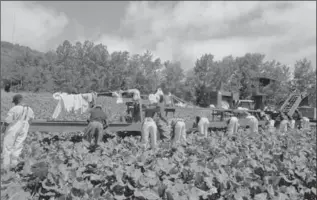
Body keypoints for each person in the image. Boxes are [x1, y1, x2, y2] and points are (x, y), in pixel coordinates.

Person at [2, 94, 34, 170]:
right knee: (18, 147)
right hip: (25, 128)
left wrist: (3, 129)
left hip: (14, 127)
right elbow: (31, 120)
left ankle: (6, 167)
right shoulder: (29, 109)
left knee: (7, 147)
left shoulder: (15, 108)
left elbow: (8, 121)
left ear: (16, 101)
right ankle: (14, 166)